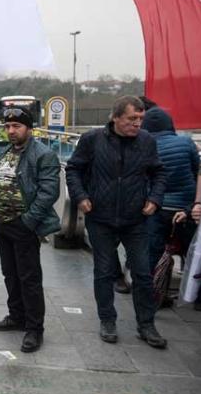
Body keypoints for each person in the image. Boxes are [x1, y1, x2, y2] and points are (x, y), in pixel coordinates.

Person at [66, 96, 168, 348]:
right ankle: (107, 320)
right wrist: (80, 196)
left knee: (142, 273)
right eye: (132, 118)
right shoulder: (92, 140)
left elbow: (159, 172)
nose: (137, 124)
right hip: (100, 217)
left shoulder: (146, 142)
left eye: (140, 119)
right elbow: (73, 169)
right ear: (116, 117)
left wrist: (155, 198)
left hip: (136, 219)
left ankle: (146, 324)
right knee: (104, 272)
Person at [0, 108, 60, 353]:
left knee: (29, 278)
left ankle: (34, 329)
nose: (11, 131)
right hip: (0, 224)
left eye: (16, 126)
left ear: (29, 128)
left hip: (22, 226)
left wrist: (28, 222)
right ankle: (16, 316)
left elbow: (49, 193)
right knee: (10, 273)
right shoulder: (5, 152)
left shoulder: (43, 155)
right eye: (7, 127)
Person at [141, 107, 199, 272]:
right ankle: (191, 292)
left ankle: (152, 291)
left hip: (155, 209)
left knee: (153, 253)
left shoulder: (143, 147)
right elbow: (197, 172)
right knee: (191, 253)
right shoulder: (187, 142)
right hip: (185, 210)